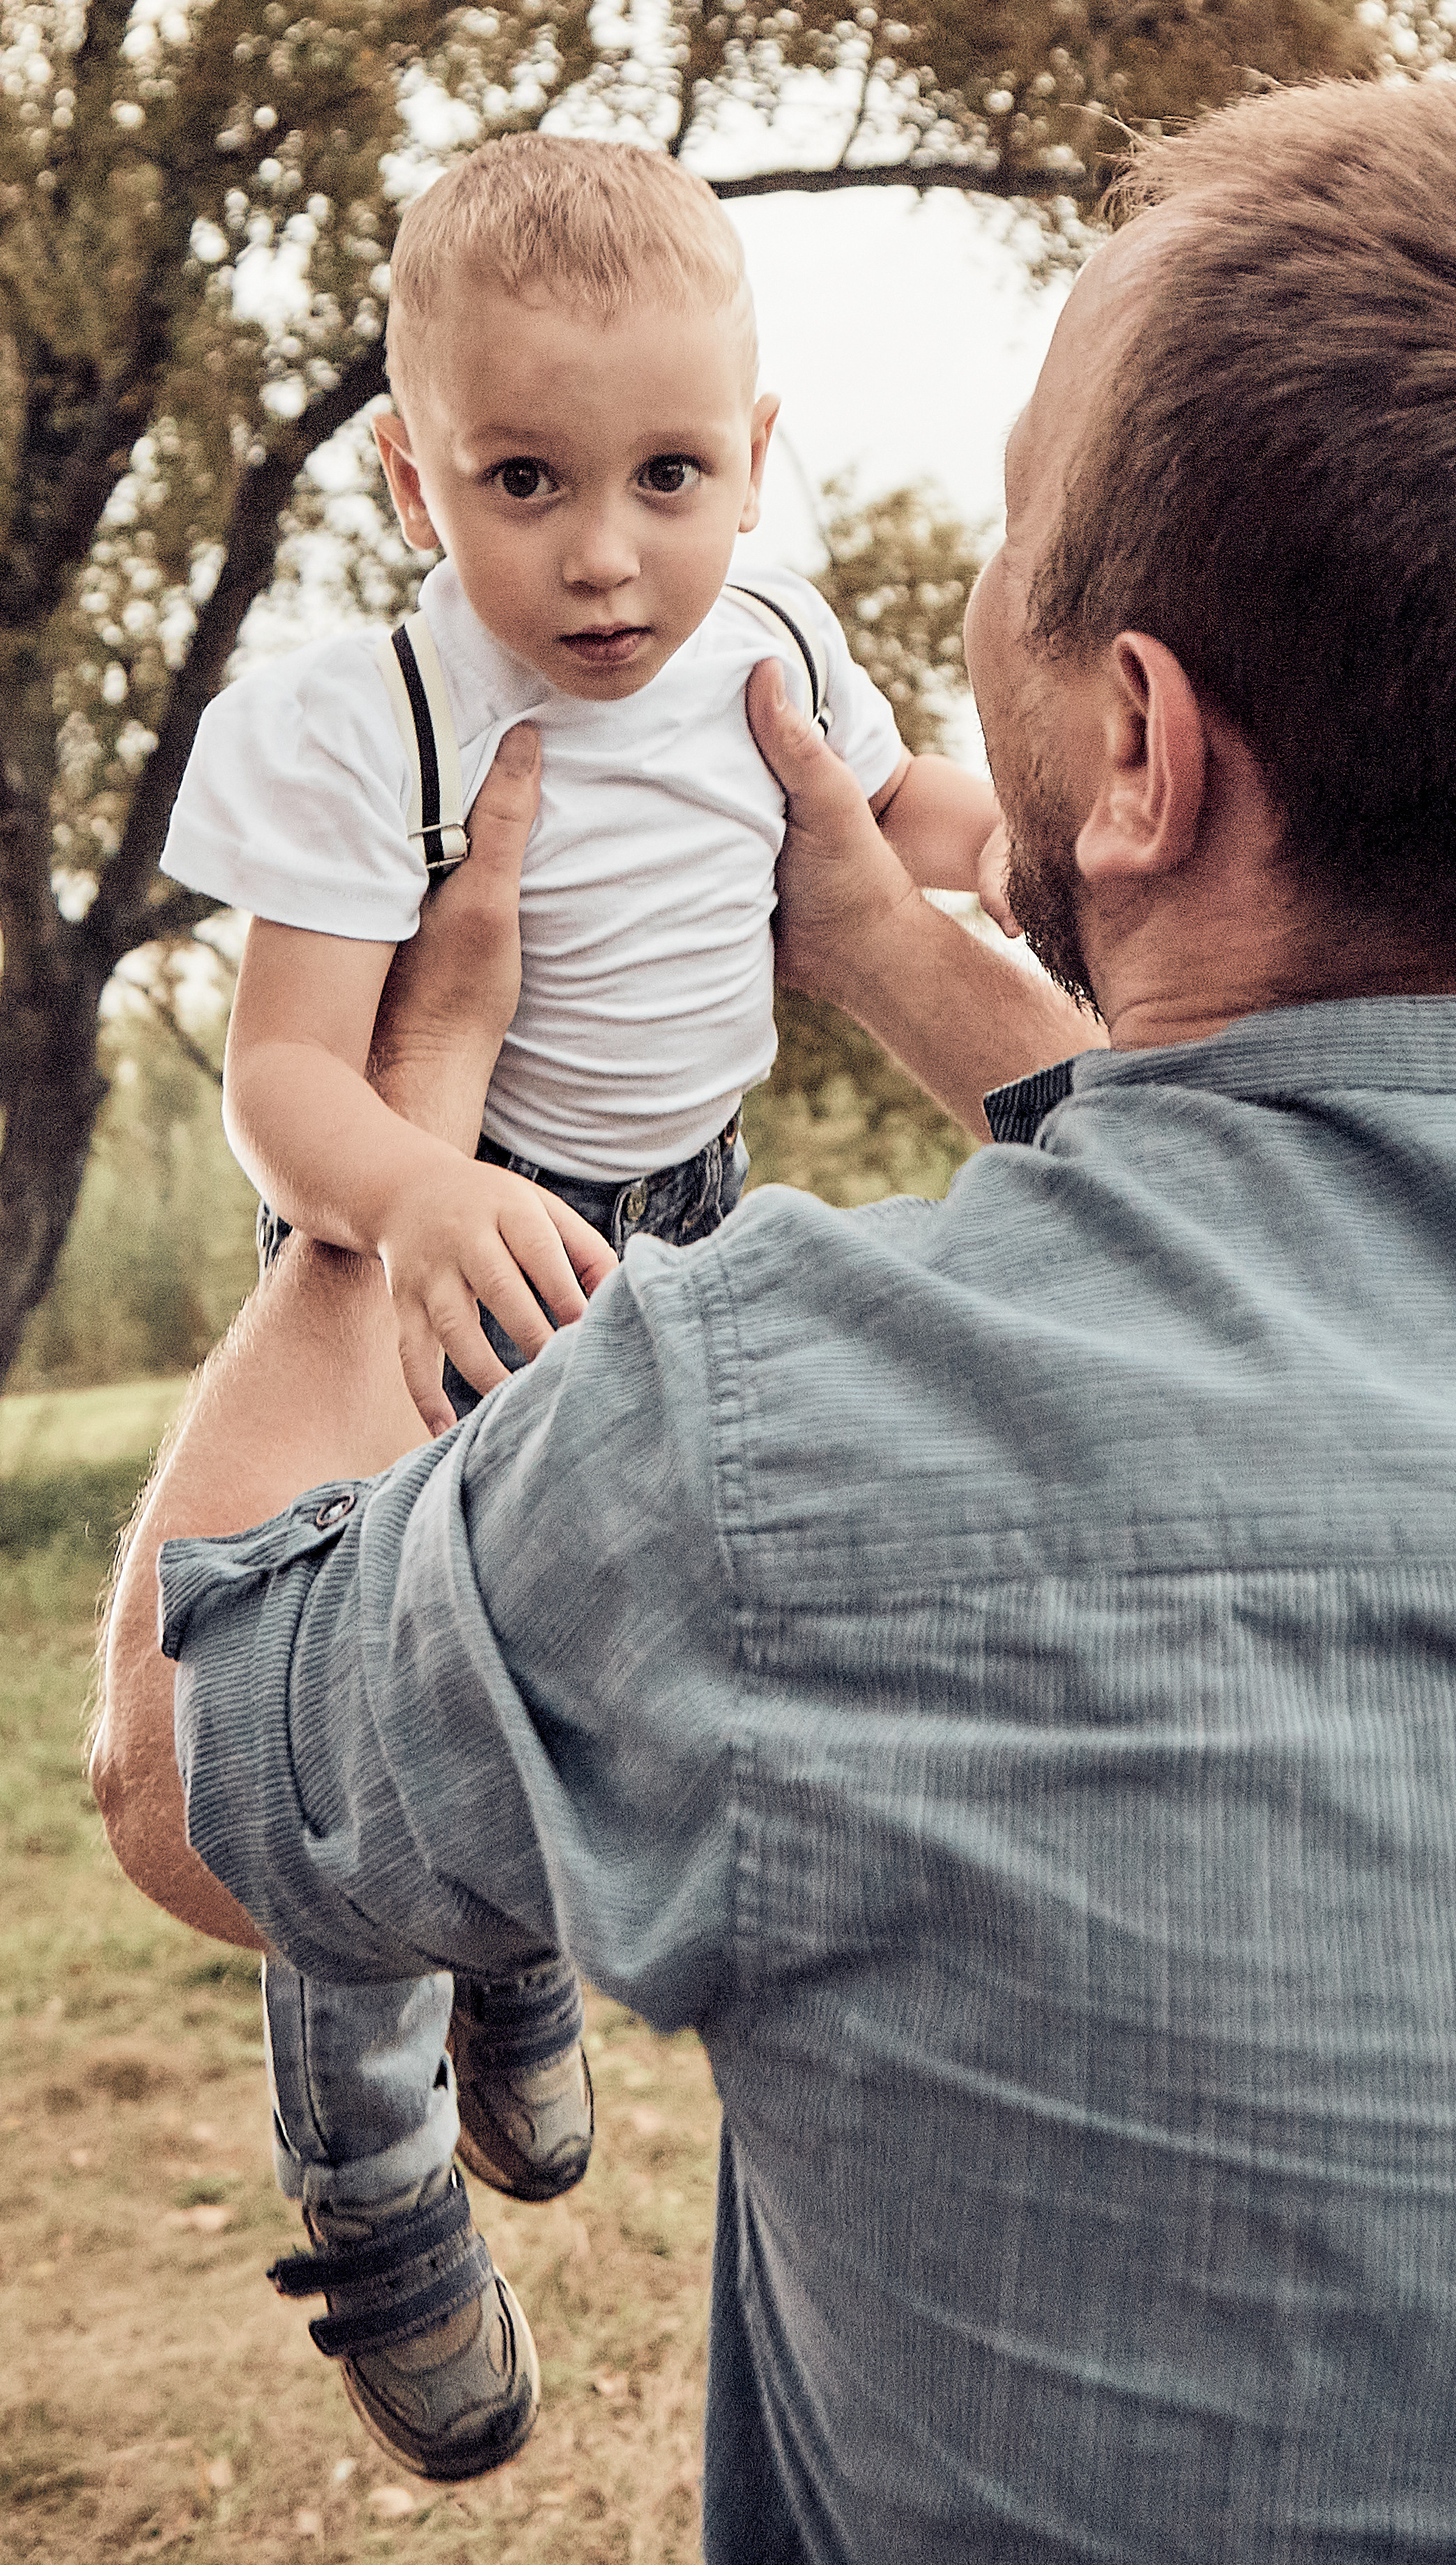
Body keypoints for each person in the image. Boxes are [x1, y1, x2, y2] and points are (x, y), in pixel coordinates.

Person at [95, 77, 1456, 2562]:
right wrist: (899, 961)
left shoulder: (765, 1446)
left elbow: (184, 1762)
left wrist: (412, 1117)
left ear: (1138, 744)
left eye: (1016, 543)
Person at [153, 131, 1009, 2481]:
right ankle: (379, 2188)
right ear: (418, 481)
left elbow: (893, 820)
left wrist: (987, 845)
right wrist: (410, 1196)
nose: (604, 551)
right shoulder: (370, 724)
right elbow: (285, 1083)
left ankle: (529, 1958)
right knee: (358, 1696)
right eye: (524, 479)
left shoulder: (778, 643)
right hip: (441, 1226)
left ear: (756, 454)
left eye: (665, 473)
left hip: (691, 1208)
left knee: (624, 1642)